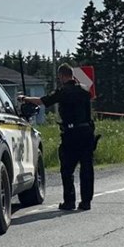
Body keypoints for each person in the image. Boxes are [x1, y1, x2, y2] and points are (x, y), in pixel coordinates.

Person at [21, 65, 95, 211]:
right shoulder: (85, 90)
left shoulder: (63, 92)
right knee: (87, 169)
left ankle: (69, 201)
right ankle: (86, 202)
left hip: (71, 134)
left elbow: (43, 101)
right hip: (86, 132)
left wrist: (25, 98)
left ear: (62, 76)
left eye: (59, 77)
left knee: (67, 170)